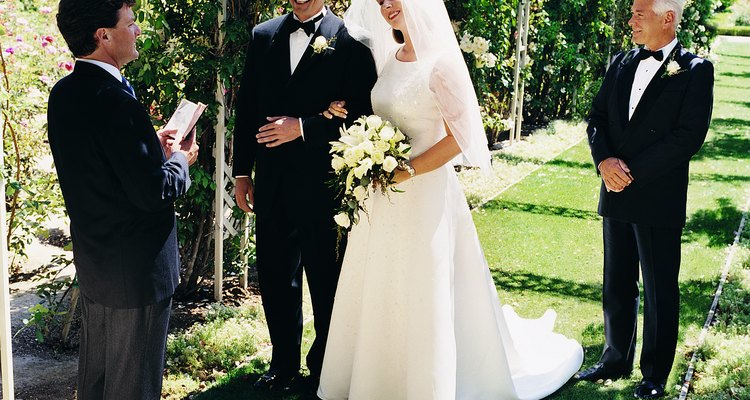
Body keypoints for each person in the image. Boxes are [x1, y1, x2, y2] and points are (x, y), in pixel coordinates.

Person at [315, 0, 583, 399]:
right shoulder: (392, 57)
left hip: (425, 195)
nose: (387, 6)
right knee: (381, 283)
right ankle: (378, 379)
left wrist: (408, 169)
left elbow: (460, 138)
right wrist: (368, 153)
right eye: (381, 0)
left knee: (423, 285)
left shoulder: (441, 63)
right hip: (383, 197)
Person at [49, 0, 199, 398]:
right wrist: (181, 159)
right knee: (133, 388)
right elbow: (153, 192)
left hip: (98, 264)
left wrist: (153, 147)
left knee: (97, 384)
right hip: (137, 271)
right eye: (130, 24)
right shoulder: (117, 102)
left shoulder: (63, 93)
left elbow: (100, 169)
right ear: (103, 35)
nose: (137, 32)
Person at [231, 0, 378, 391]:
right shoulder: (263, 36)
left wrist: (305, 127)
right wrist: (242, 172)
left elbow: (363, 116)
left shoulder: (352, 40)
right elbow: (246, 109)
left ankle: (324, 366)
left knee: (326, 280)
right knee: (277, 277)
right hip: (273, 184)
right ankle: (282, 365)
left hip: (325, 187)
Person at [575, 0, 714, 398]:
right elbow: (597, 118)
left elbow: (688, 136)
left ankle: (653, 376)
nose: (631, 19)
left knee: (658, 289)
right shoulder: (621, 61)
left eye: (639, 12)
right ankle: (614, 358)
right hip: (614, 189)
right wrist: (604, 162)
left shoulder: (695, 70)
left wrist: (630, 172)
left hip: (656, 196)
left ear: (667, 18)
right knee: (616, 281)